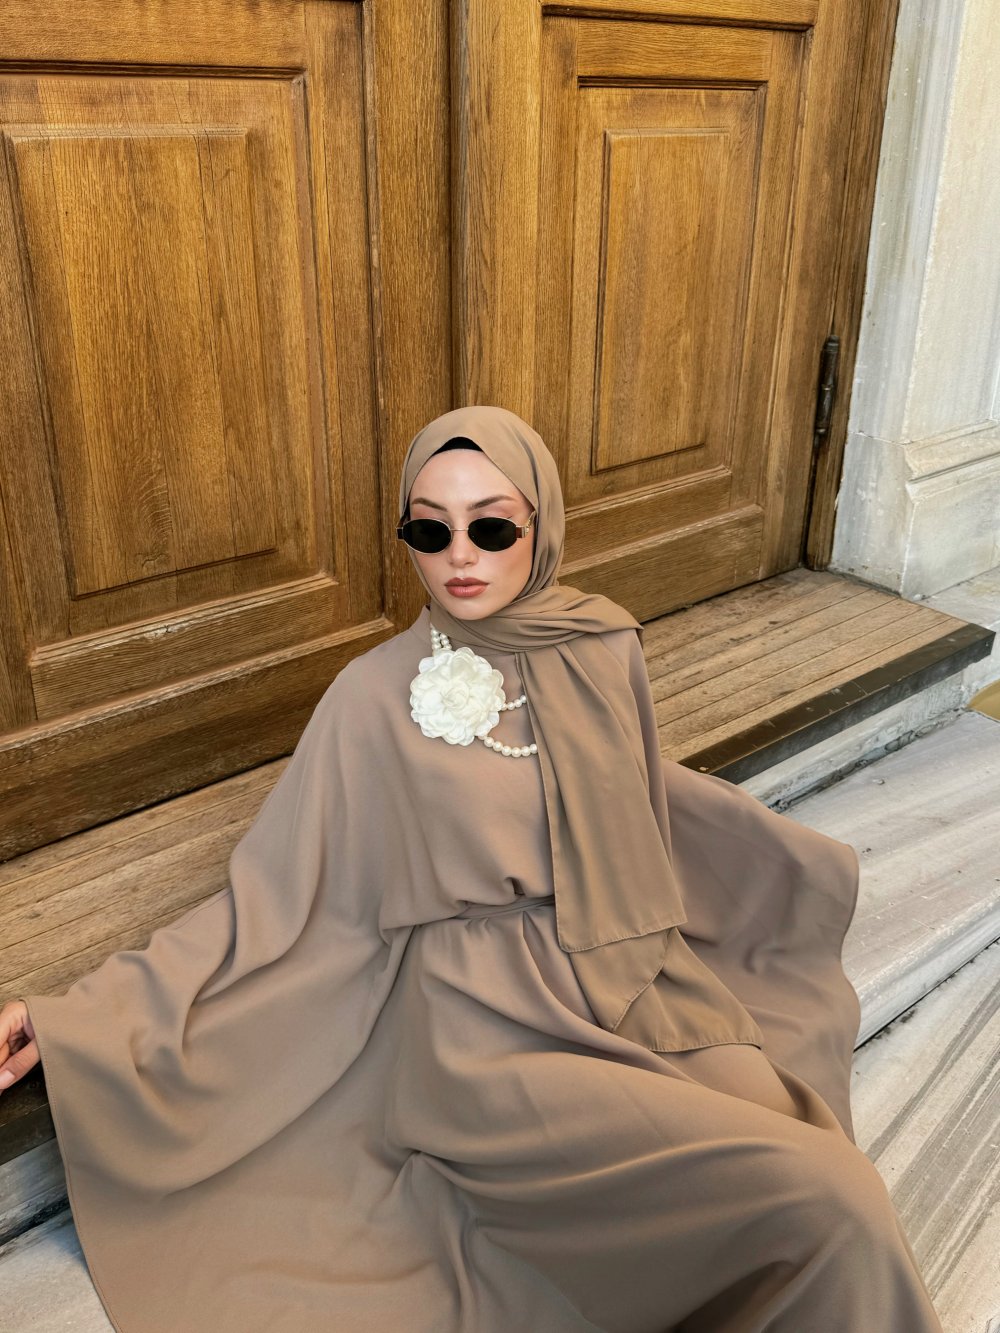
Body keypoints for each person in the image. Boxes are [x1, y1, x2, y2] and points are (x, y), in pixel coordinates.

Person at [0, 405, 943, 1332]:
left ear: (540, 524)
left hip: (625, 976)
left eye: (492, 527)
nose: (460, 555)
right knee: (825, 1195)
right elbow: (270, 901)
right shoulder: (370, 698)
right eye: (430, 528)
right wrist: (75, 1017)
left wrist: (773, 861)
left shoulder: (601, 645)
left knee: (816, 1170)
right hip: (480, 1029)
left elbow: (635, 799)